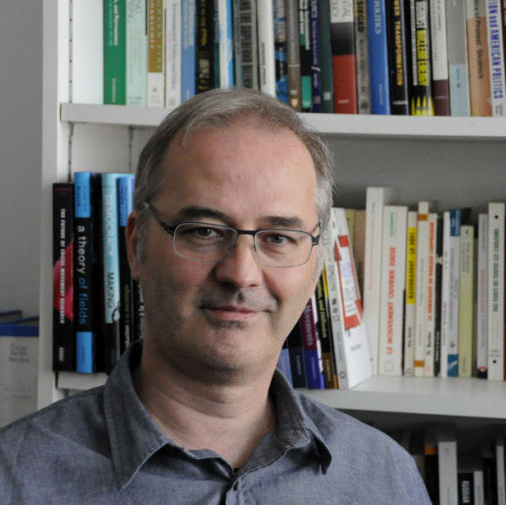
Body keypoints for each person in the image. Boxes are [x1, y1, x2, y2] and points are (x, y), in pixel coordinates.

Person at [0, 88, 430, 504]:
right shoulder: (15, 479)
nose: (241, 274)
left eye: (279, 237)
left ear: (317, 262)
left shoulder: (385, 478)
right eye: (204, 231)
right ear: (135, 246)